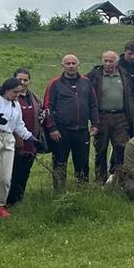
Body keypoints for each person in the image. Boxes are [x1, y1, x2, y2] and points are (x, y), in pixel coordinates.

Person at [0, 78, 38, 224]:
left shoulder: (16, 105)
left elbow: (19, 125)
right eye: (15, 92)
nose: (17, 95)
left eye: (19, 92)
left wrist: (31, 139)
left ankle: (0, 205)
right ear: (6, 90)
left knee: (5, 178)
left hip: (8, 139)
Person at [42, 54, 99, 191]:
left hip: (82, 130)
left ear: (78, 65)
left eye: (74, 63)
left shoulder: (86, 82)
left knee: (82, 162)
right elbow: (47, 107)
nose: (71, 66)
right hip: (61, 131)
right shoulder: (55, 83)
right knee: (59, 162)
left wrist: (95, 124)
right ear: (63, 66)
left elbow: (93, 104)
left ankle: (82, 189)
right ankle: (59, 190)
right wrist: (52, 128)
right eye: (68, 63)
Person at [6, 68, 55, 206]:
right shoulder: (8, 98)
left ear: (29, 81)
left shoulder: (34, 97)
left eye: (25, 80)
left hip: (31, 140)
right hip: (13, 142)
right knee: (11, 173)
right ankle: (6, 200)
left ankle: (18, 199)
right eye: (19, 80)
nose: (22, 82)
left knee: (25, 171)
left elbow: (41, 111)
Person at [88, 50, 134, 186]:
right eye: (105, 61)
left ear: (116, 62)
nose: (108, 64)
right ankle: (100, 180)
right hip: (102, 117)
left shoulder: (123, 74)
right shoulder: (95, 75)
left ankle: (119, 179)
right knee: (101, 149)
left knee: (121, 148)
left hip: (121, 117)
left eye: (111, 61)